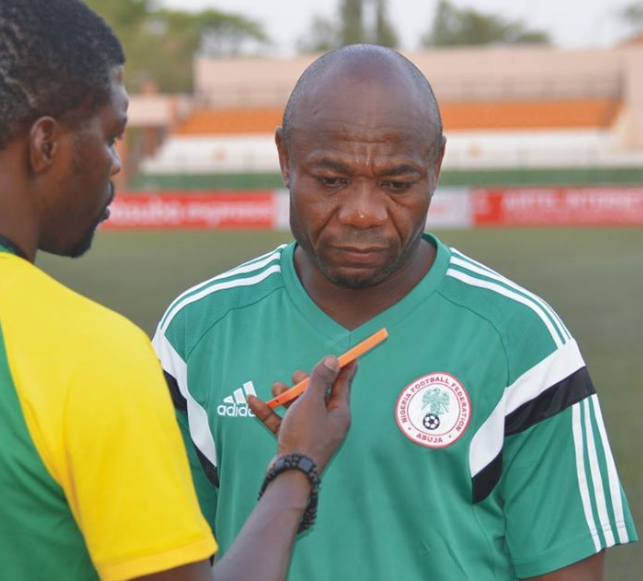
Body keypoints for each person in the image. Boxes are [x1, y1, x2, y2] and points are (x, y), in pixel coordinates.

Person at [0, 2, 359, 580]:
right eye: (111, 136)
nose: (114, 163)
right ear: (45, 145)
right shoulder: (93, 354)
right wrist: (298, 463)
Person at [153, 44, 637, 580]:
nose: (363, 212)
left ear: (435, 166)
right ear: (286, 159)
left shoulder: (523, 340)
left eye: (397, 184)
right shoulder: (196, 332)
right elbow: (162, 562)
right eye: (332, 180)